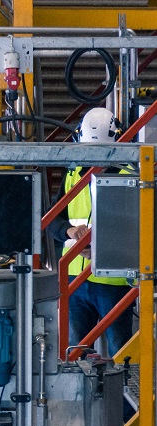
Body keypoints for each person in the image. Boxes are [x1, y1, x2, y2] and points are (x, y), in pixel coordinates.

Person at [65, 107, 134, 359]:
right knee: (75, 356)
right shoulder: (72, 175)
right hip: (75, 278)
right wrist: (70, 230)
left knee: (121, 356)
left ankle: (121, 396)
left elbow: (139, 231)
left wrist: (100, 248)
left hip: (113, 283)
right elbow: (53, 220)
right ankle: (83, 398)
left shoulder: (131, 176)